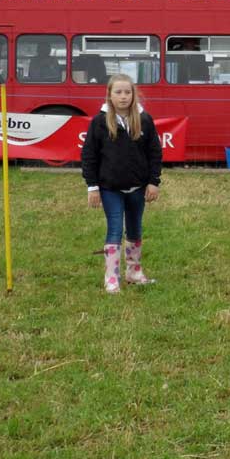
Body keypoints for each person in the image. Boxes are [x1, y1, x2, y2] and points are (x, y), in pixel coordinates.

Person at [80, 74, 162, 294]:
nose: (123, 97)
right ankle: (112, 277)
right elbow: (89, 156)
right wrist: (92, 187)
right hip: (109, 189)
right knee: (115, 229)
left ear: (134, 94)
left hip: (138, 188)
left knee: (135, 228)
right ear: (110, 95)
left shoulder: (145, 120)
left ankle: (134, 272)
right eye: (118, 92)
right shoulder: (99, 122)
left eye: (128, 92)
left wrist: (154, 182)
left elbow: (155, 153)